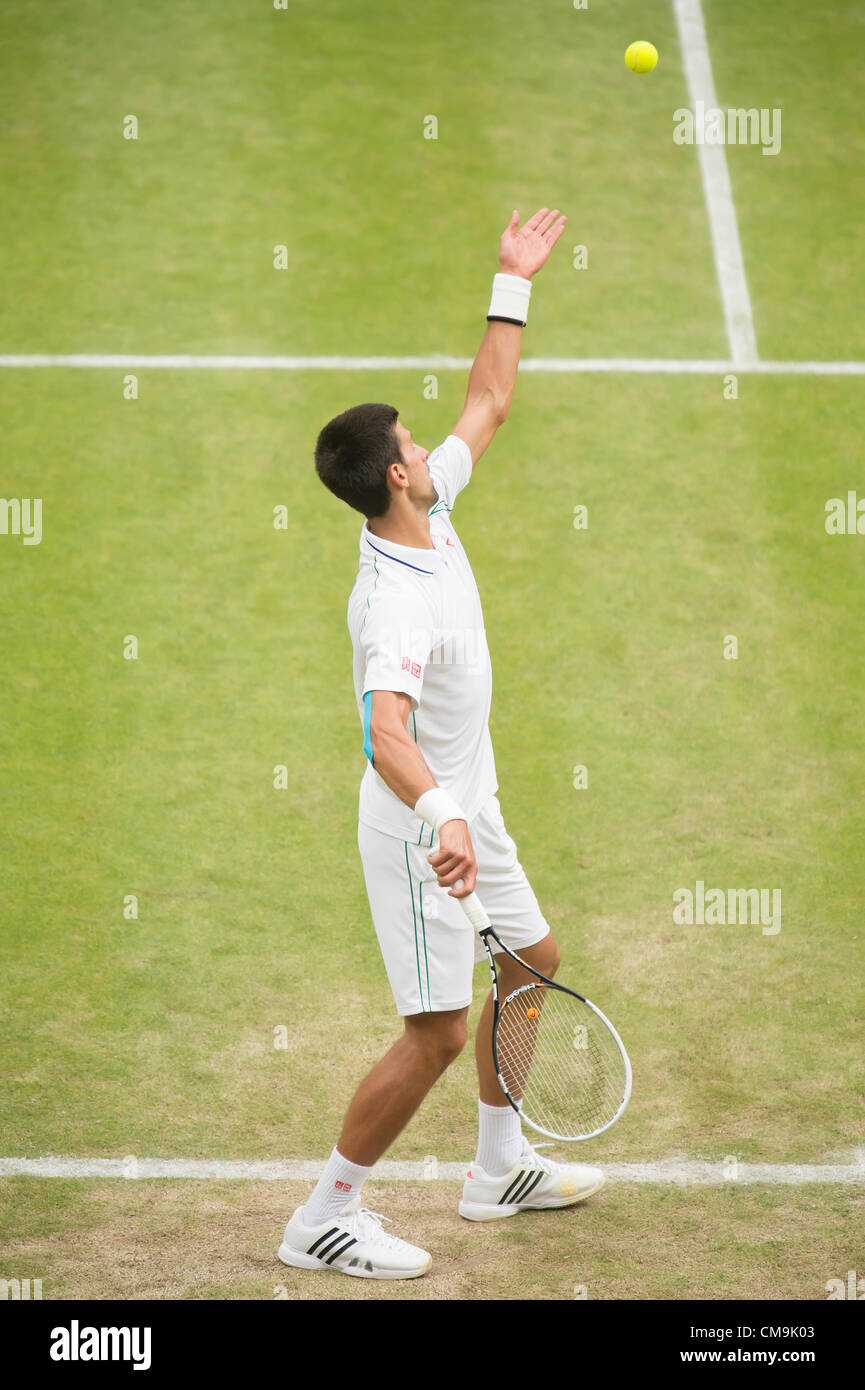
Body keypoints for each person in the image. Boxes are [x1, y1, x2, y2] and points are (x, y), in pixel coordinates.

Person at [279, 208, 604, 1280]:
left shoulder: (431, 507)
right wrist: (440, 813)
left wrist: (512, 279)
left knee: (528, 961)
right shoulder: (394, 606)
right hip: (421, 826)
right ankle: (326, 1213)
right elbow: (383, 733)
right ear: (391, 480)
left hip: (468, 800)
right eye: (412, 445)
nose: (429, 446)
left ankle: (496, 1167)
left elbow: (492, 397)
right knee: (435, 1032)